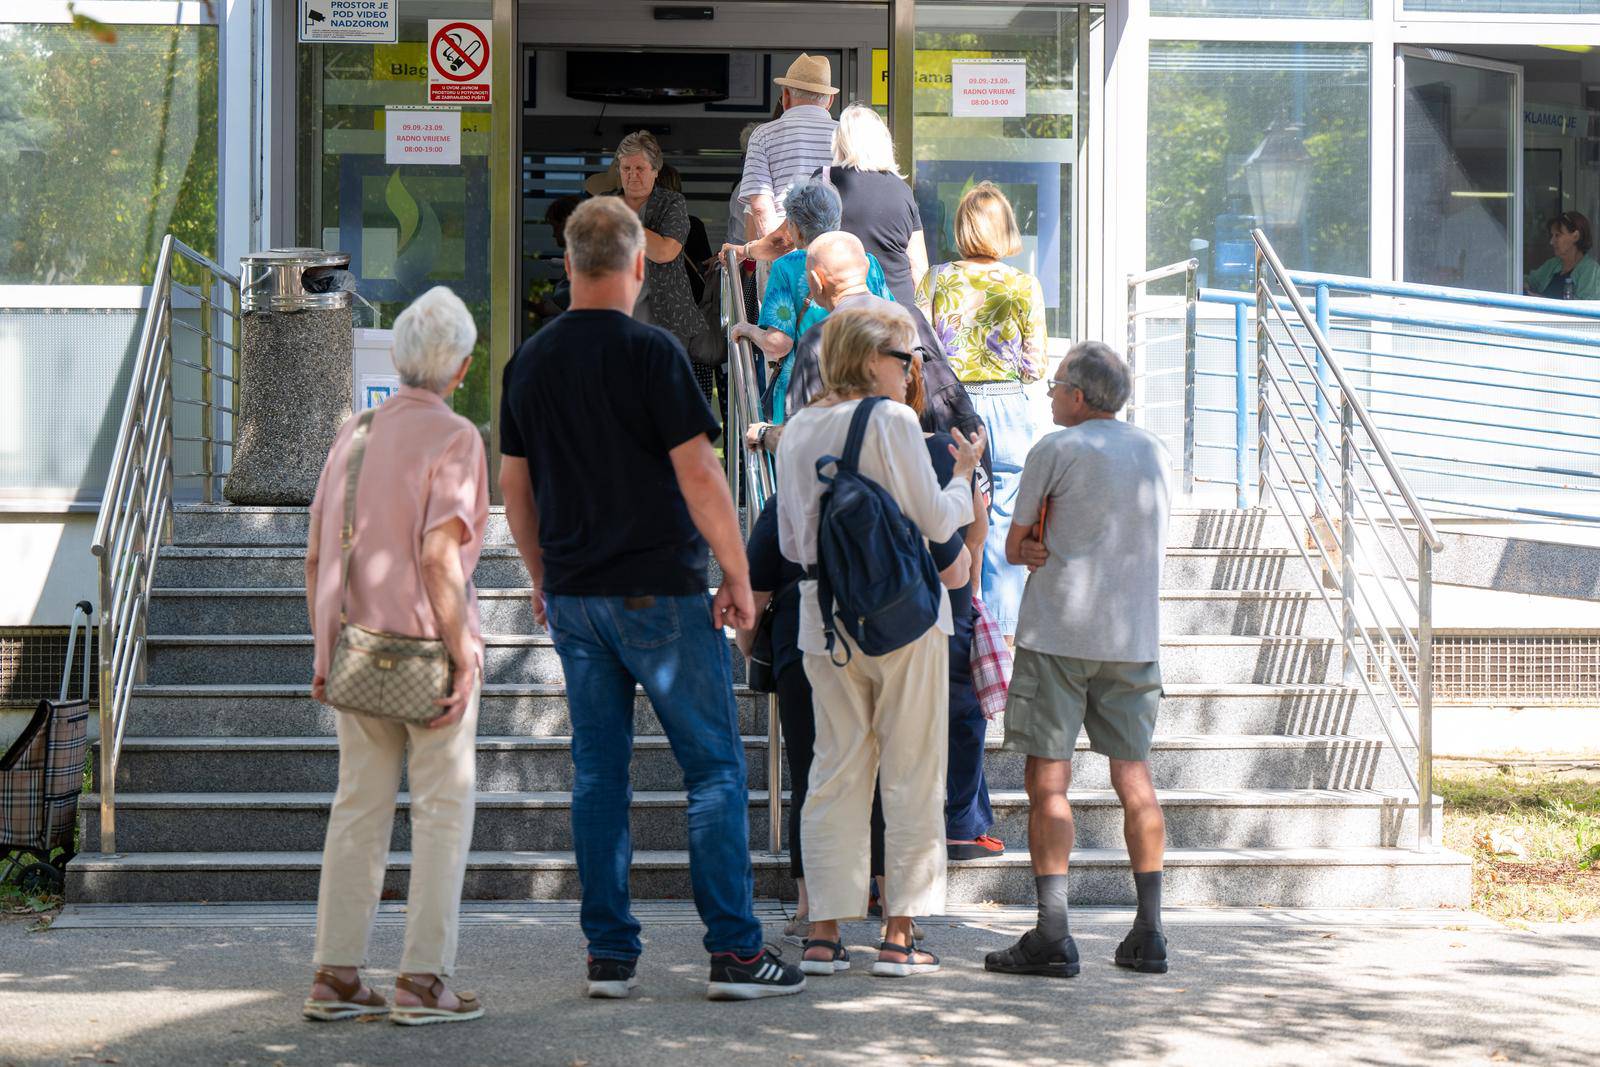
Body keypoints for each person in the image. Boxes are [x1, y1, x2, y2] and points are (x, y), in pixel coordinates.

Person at [497, 197, 804, 1002]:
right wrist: (738, 573)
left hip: (575, 597)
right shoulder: (655, 353)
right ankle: (735, 953)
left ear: (568, 265)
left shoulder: (527, 362)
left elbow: (515, 491)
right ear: (639, 265)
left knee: (598, 774)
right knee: (711, 769)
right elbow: (703, 474)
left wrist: (540, 575)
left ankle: (609, 954)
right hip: (660, 593)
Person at [776, 301, 983, 979]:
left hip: (821, 616)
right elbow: (935, 519)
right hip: (902, 618)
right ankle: (899, 934)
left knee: (833, 770)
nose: (913, 370)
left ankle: (824, 933)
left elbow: (788, 540)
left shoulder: (797, 429)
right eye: (905, 358)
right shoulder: (893, 421)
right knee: (911, 767)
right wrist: (961, 482)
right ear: (870, 359)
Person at [303, 286, 488, 1026]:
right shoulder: (458, 437)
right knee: (442, 810)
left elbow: (318, 550)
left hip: (357, 648)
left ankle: (337, 973)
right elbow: (441, 556)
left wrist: (324, 649)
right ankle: (421, 980)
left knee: (358, 807)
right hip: (426, 653)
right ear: (463, 367)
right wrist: (465, 650)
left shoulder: (353, 433)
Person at [984, 342, 1173, 980]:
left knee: (1049, 783)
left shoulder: (1055, 450)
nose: (1048, 392)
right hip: (1134, 640)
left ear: (1080, 396)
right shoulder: (1151, 450)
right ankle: (1149, 932)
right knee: (1134, 779)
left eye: (1057, 383)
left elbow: (1016, 546)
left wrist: (1038, 544)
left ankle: (1053, 932)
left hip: (1058, 635)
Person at [916, 181, 1047, 638]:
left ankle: (954, 625)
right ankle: (1002, 638)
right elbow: (1034, 366)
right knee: (1005, 517)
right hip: (1008, 409)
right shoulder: (1023, 285)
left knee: (949, 511)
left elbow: (920, 352)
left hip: (951, 406)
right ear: (1006, 228)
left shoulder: (935, 279)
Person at [754, 232, 986, 472]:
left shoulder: (820, 338)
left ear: (815, 280)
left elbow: (802, 435)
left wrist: (764, 434)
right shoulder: (911, 318)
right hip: (915, 460)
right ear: (866, 268)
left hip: (852, 477)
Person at [729, 181, 893, 405]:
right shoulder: (866, 261)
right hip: (863, 388)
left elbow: (778, 344)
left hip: (804, 395)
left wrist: (746, 329)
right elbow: (891, 321)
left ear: (794, 227)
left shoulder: (785, 267)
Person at [613, 131, 715, 404]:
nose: (633, 175)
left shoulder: (672, 203)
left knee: (663, 402)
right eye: (626, 168)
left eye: (640, 168)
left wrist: (623, 221)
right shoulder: (604, 204)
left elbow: (666, 251)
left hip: (666, 322)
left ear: (656, 170)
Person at [816, 103, 929, 310]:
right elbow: (919, 266)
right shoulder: (902, 190)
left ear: (840, 141)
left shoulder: (825, 181)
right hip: (897, 310)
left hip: (840, 309)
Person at [739, 54, 839, 243]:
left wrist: (777, 251)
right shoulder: (845, 135)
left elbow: (760, 206)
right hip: (833, 249)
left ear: (785, 96)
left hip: (782, 243)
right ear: (830, 100)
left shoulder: (763, 135)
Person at [1524, 211, 1600, 300]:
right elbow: (1531, 281)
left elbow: (1586, 309)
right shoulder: (1553, 264)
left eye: (1557, 235)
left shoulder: (1591, 271)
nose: (1551, 242)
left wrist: (1543, 300)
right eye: (1552, 236)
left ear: (1575, 236)